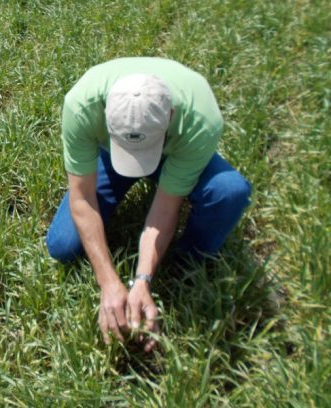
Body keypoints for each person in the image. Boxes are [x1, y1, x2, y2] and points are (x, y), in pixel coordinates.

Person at [45, 57, 251, 351]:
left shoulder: (201, 119)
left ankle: (185, 264)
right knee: (62, 245)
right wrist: (108, 282)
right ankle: (124, 150)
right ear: (104, 113)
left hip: (172, 152)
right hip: (109, 150)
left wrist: (143, 279)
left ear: (170, 115)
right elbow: (82, 198)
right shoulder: (80, 106)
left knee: (230, 191)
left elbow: (166, 207)